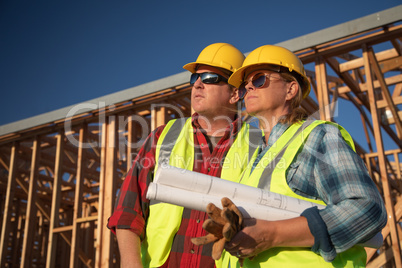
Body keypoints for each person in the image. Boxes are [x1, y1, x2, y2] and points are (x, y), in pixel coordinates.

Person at [212, 45, 387, 267]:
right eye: (245, 85)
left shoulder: (318, 136)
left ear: (290, 89)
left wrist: (273, 234)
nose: (248, 86)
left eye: (258, 79)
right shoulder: (254, 160)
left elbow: (366, 209)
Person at [107, 43, 262, 267]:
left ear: (235, 93)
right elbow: (128, 210)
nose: (197, 84)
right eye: (194, 78)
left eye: (209, 78)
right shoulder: (164, 137)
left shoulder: (259, 144)